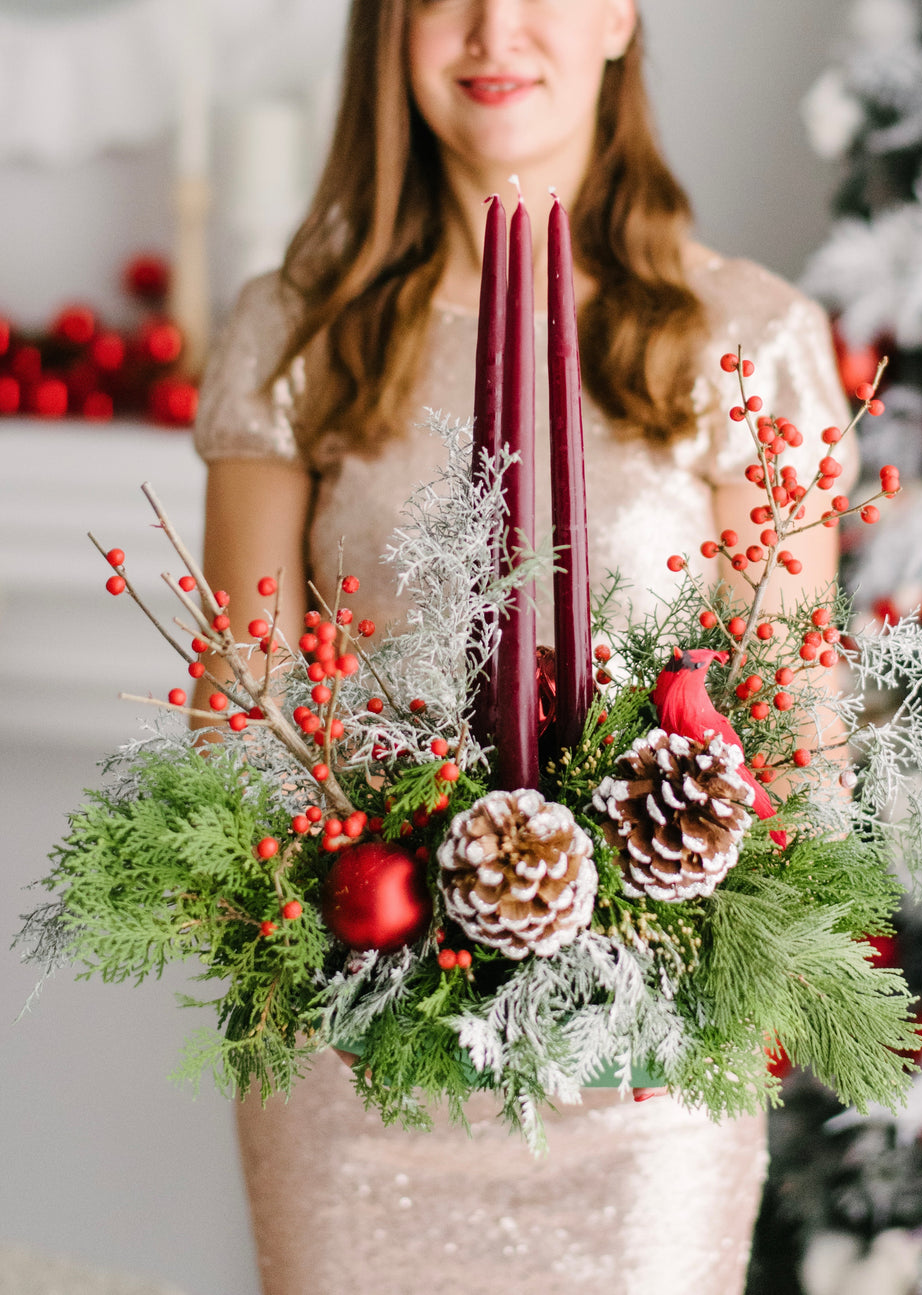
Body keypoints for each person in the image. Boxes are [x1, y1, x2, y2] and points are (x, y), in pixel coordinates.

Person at [192, 2, 851, 1291]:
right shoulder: (300, 333)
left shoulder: (748, 341)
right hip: (362, 1055)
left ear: (620, 16)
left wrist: (704, 951)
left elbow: (791, 731)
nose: (498, 31)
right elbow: (245, 706)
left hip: (649, 1081)